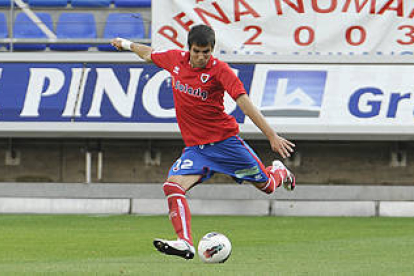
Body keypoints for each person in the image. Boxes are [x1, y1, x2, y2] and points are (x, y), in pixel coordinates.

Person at [111, 24, 296, 260]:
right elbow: (148, 53)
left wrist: (271, 135)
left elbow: (244, 102)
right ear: (188, 48)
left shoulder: (221, 71)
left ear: (212, 50)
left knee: (268, 186)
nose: (201, 57)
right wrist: (125, 44)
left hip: (226, 144)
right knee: (172, 186)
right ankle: (184, 243)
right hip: (196, 150)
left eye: (206, 52)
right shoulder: (175, 60)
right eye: (197, 51)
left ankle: (280, 172)